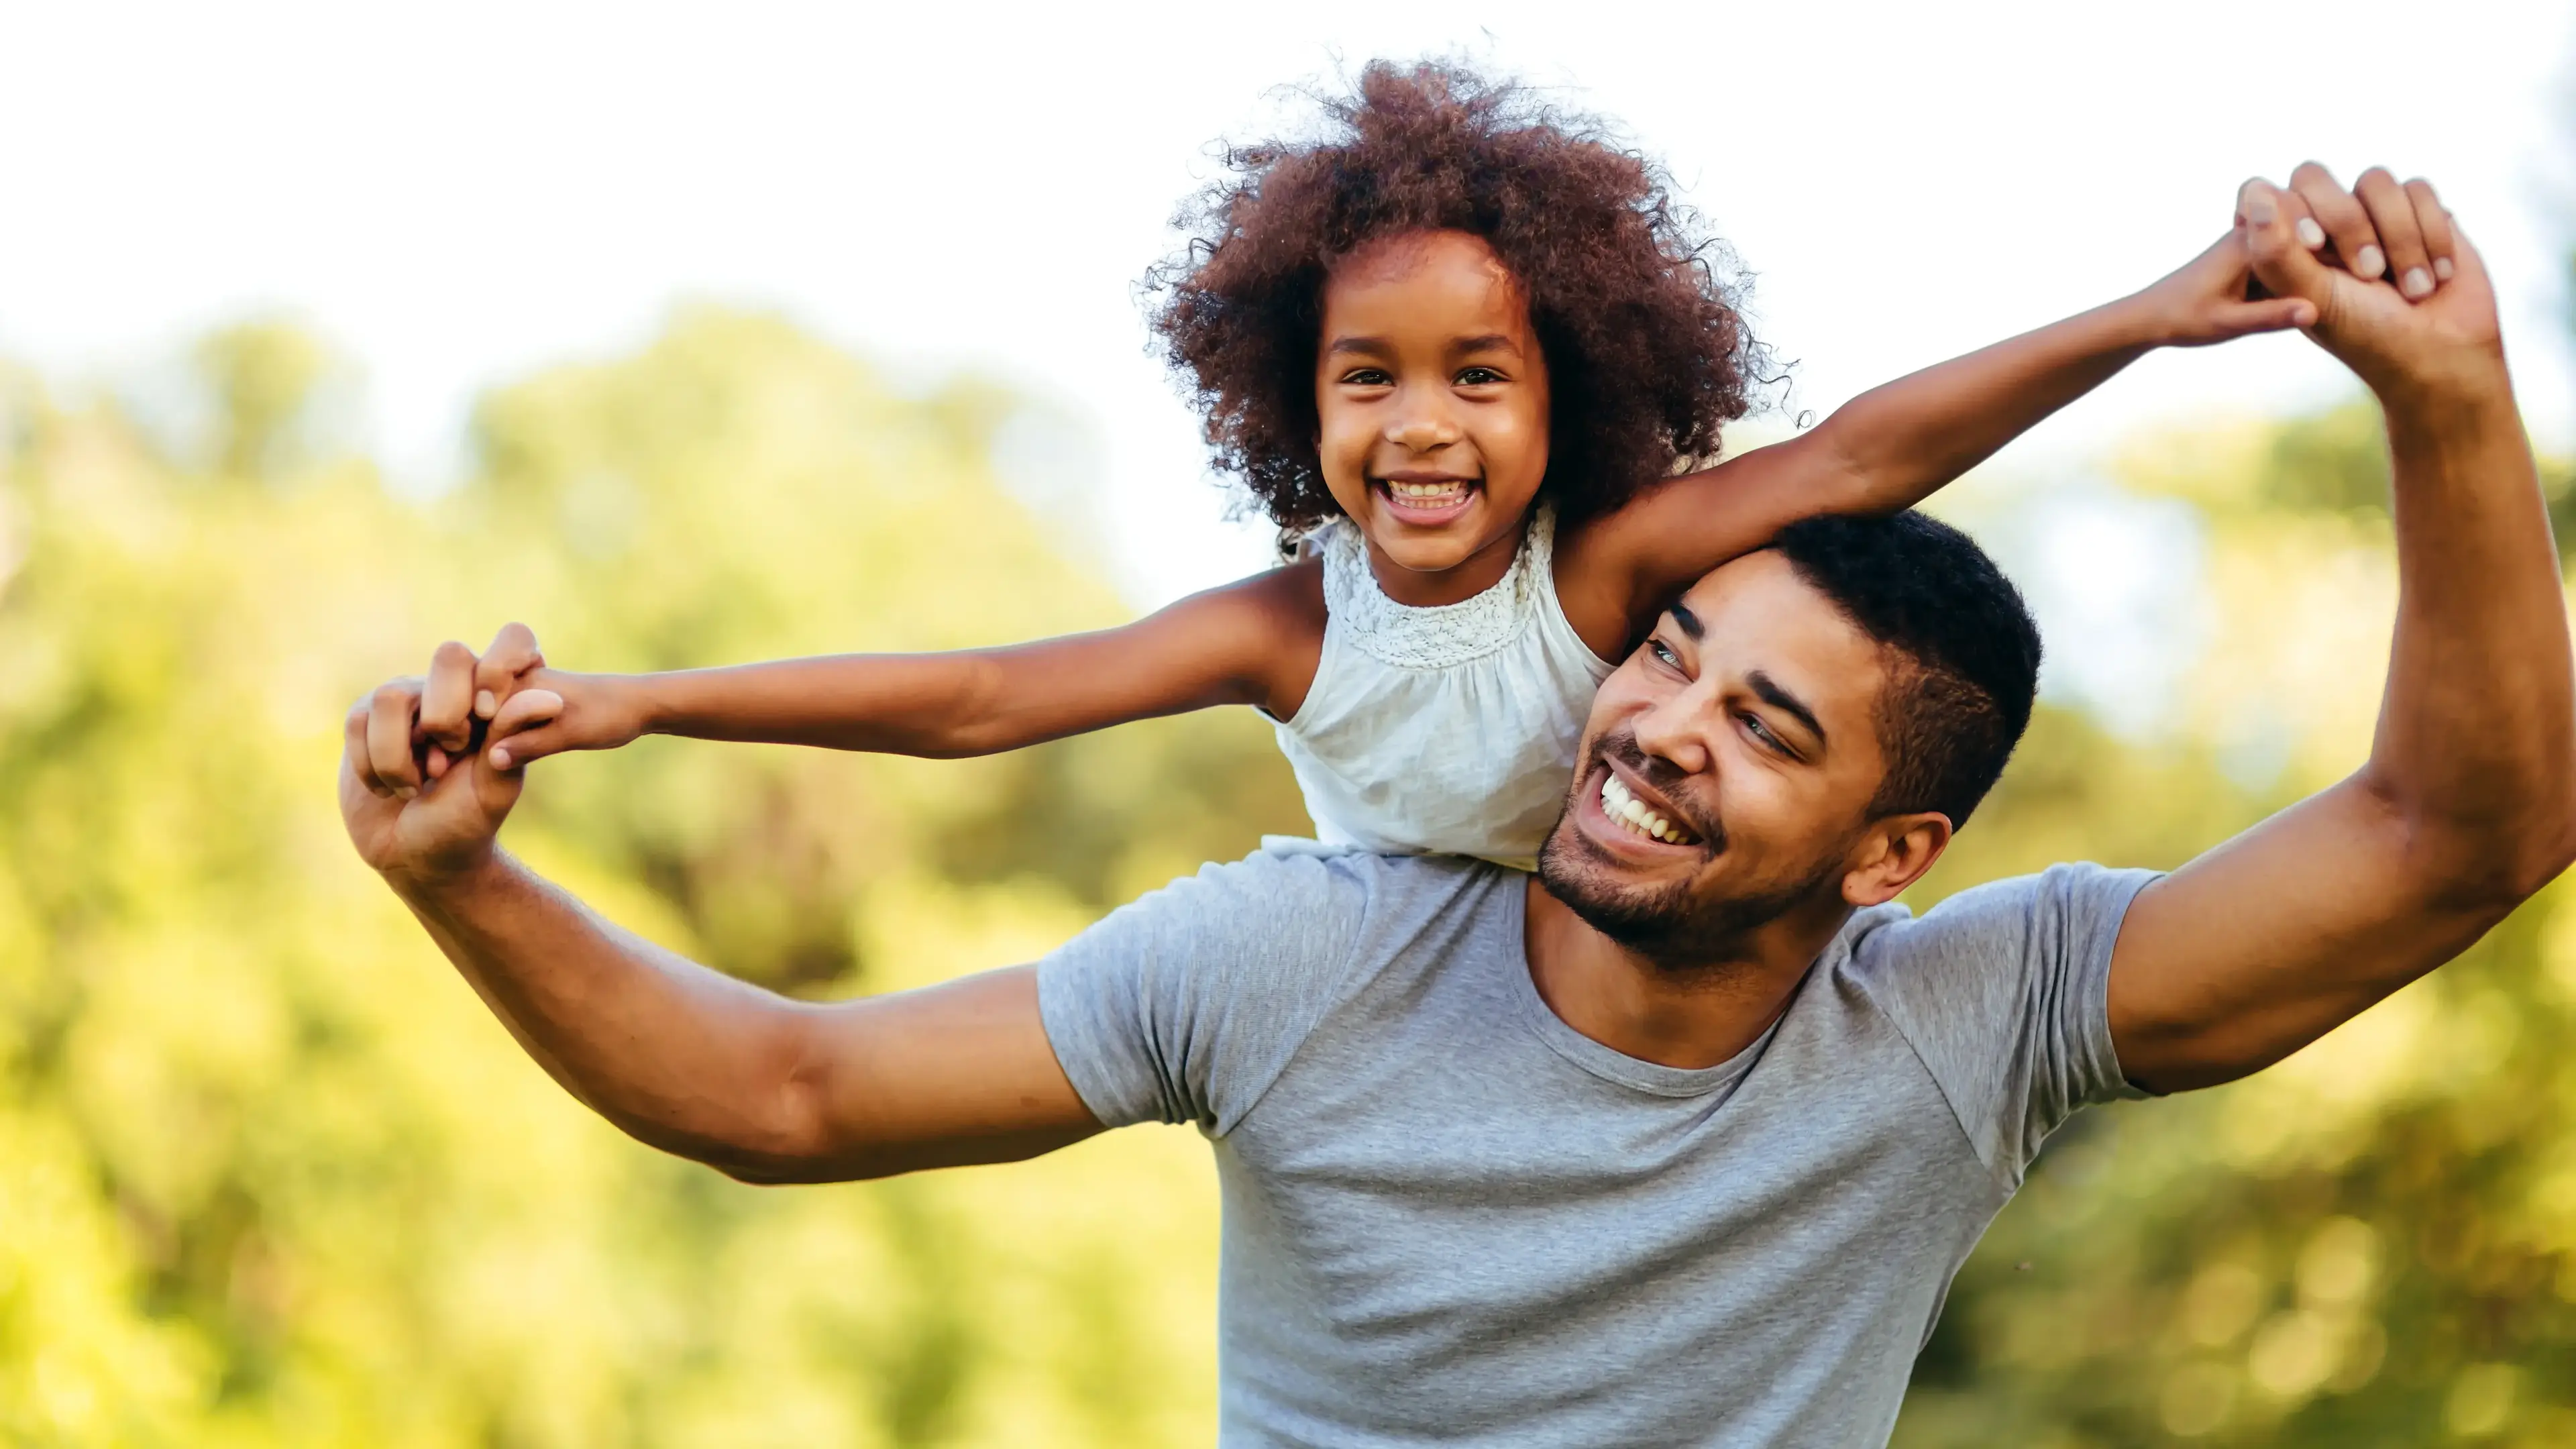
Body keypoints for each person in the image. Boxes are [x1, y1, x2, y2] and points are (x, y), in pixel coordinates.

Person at [340, 164, 2573, 1445]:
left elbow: (2455, 839)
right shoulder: (1303, 949)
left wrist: (2453, 405)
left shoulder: (1961, 1026)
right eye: (1673, 655)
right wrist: (473, 881)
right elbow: (792, 1091)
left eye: (1773, 730)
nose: (1664, 720)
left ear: (1899, 855)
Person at [364, 62, 2318, 873]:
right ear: (1290, 405)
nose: (1421, 427)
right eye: (1364, 379)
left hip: (1646, 957)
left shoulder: (1618, 569)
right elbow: (978, 700)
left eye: (1481, 374)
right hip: (1405, 1015)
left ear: (1574, 392)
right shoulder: (1290, 628)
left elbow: (1866, 448)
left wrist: (2143, 317)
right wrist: (639, 704)